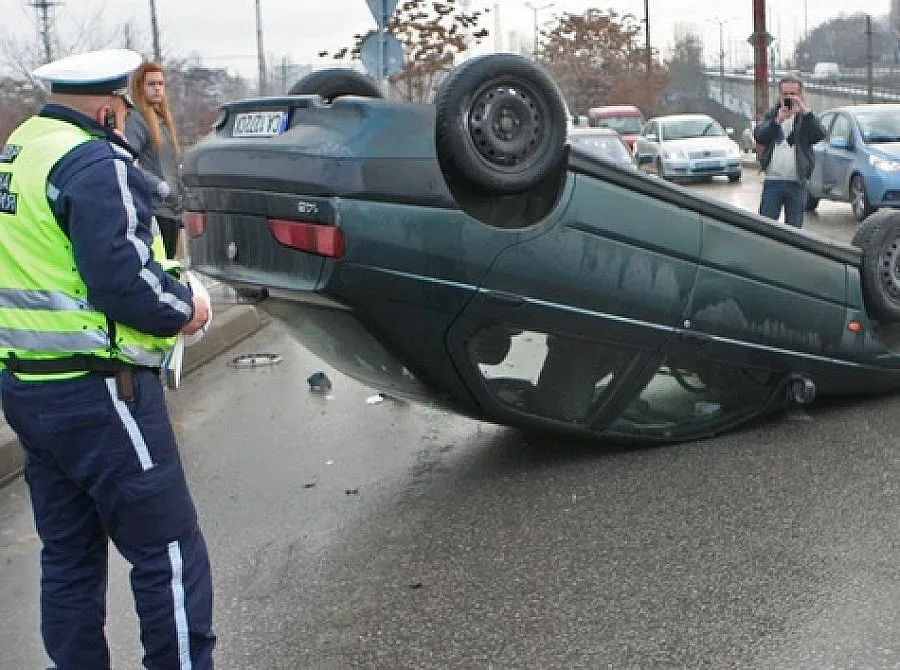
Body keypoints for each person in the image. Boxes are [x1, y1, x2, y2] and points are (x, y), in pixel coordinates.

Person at [0, 49, 215, 668]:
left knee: (67, 558)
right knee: (168, 554)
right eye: (122, 107)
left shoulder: (20, 148)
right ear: (107, 107)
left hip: (29, 388)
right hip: (101, 392)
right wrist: (187, 308)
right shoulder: (92, 162)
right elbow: (123, 283)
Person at [125, 61, 183, 259]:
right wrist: (159, 186)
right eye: (151, 84)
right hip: (153, 209)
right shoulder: (136, 119)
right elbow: (128, 160)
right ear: (140, 87)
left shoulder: (162, 120)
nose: (158, 88)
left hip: (171, 209)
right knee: (160, 265)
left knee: (171, 264)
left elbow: (171, 163)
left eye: (160, 83)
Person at [752, 74, 826, 228]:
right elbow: (759, 135)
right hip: (773, 181)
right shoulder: (772, 114)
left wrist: (805, 112)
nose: (789, 98)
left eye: (793, 94)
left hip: (796, 182)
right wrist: (777, 121)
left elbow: (820, 134)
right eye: (785, 94)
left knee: (794, 228)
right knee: (766, 226)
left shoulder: (806, 118)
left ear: (800, 95)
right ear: (779, 95)